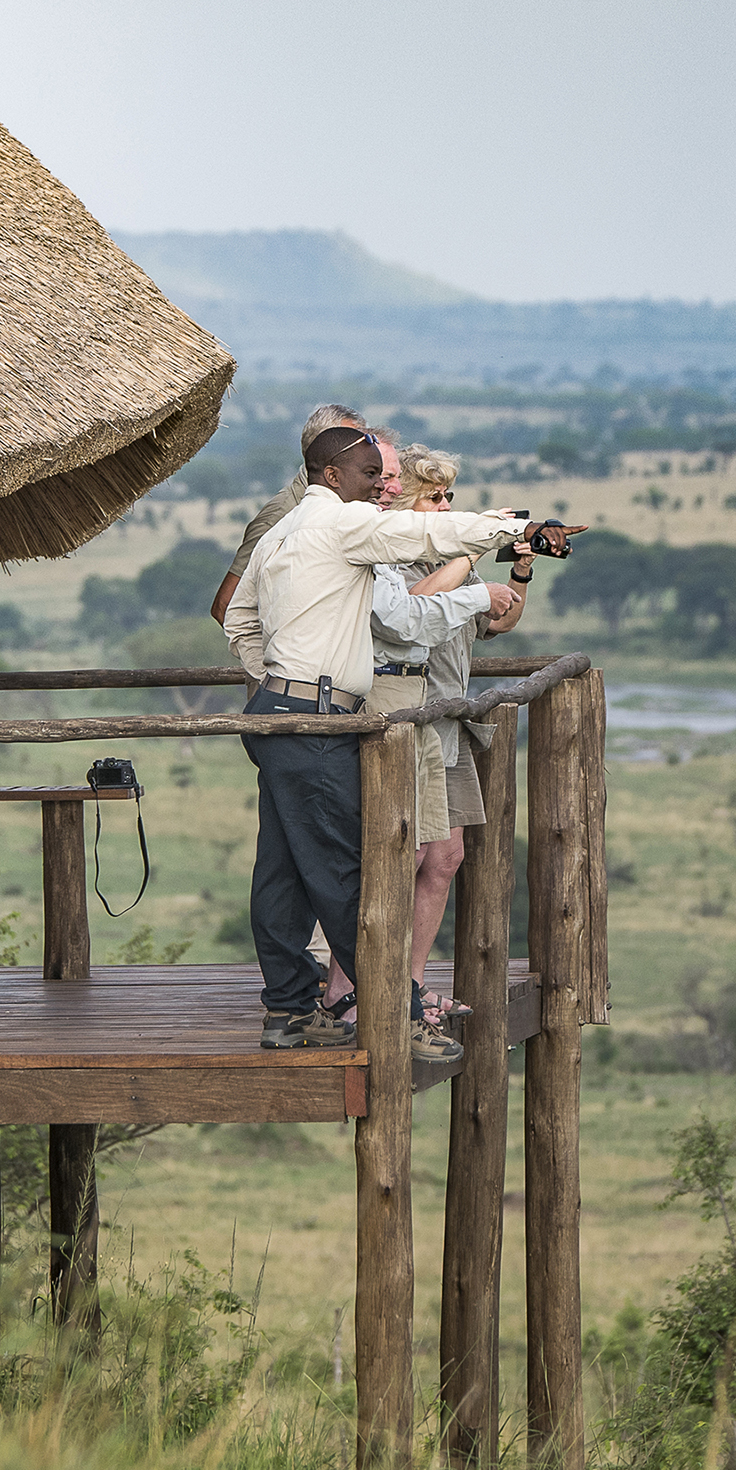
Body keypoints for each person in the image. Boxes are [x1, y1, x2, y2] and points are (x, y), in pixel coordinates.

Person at [221, 423, 557, 1054]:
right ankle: (396, 1017)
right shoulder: (340, 523)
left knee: (284, 872)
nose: (382, 487)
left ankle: (290, 1010)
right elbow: (425, 532)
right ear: (332, 476)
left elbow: (240, 617)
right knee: (347, 873)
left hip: (279, 713)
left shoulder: (283, 532)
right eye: (371, 475)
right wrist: (509, 528)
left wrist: (279, 676)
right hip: (318, 719)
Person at [371, 447, 520, 1020]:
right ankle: (371, 987)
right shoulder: (391, 556)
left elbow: (499, 622)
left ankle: (407, 983)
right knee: (403, 854)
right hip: (410, 718)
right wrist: (471, 545)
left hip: (448, 719)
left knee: (445, 857)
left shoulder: (458, 558)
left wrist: (519, 568)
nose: (446, 505)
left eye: (450, 497)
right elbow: (413, 608)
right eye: (434, 497)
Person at [209, 401, 363, 638]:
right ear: (321, 451)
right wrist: (275, 665)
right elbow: (225, 606)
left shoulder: (347, 506)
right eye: (352, 448)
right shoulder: (281, 513)